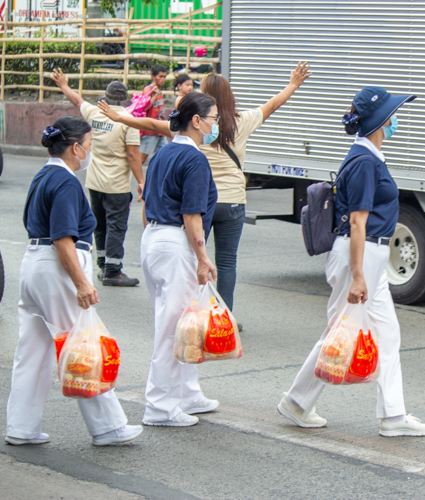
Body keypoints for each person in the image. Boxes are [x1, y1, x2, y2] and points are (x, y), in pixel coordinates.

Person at [277, 86, 425, 437]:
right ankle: (297, 401)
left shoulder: (367, 157)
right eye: (392, 115)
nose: (395, 120)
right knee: (337, 333)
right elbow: (358, 222)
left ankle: (393, 416)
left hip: (368, 256)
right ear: (380, 121)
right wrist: (360, 275)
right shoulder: (364, 162)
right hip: (358, 256)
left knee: (387, 333)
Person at [97, 63, 312, 314]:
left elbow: (153, 125)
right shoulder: (242, 121)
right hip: (233, 201)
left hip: (202, 202)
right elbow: (273, 104)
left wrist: (120, 117)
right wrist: (293, 84)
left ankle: (194, 313)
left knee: (195, 259)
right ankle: (224, 317)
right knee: (226, 262)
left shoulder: (195, 124)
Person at [5, 116, 142, 446]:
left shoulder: (45, 175)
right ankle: (108, 427)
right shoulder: (65, 182)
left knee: (32, 352)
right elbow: (63, 239)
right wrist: (82, 282)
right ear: (75, 147)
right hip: (57, 269)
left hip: (34, 267)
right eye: (89, 144)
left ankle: (21, 428)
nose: (90, 150)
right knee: (84, 346)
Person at [140, 92, 220, 427]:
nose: (216, 124)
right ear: (197, 121)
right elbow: (192, 215)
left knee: (183, 323)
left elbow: (145, 201)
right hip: (176, 242)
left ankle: (188, 393)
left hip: (155, 239)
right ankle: (159, 407)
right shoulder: (194, 159)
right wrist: (202, 258)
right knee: (173, 329)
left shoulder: (163, 152)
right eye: (213, 118)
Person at [51, 70, 143, 287]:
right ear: (125, 99)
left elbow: (77, 100)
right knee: (116, 226)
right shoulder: (128, 120)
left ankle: (102, 264)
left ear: (107, 97)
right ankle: (113, 270)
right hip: (117, 185)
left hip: (94, 182)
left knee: (100, 224)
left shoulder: (94, 113)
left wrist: (63, 84)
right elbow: (132, 155)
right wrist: (141, 180)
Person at [140, 64, 169, 164]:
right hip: (150, 129)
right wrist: (155, 95)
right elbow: (144, 107)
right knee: (141, 158)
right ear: (153, 77)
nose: (163, 79)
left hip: (160, 129)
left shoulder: (159, 90)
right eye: (160, 76)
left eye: (164, 77)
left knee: (165, 157)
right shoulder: (149, 89)